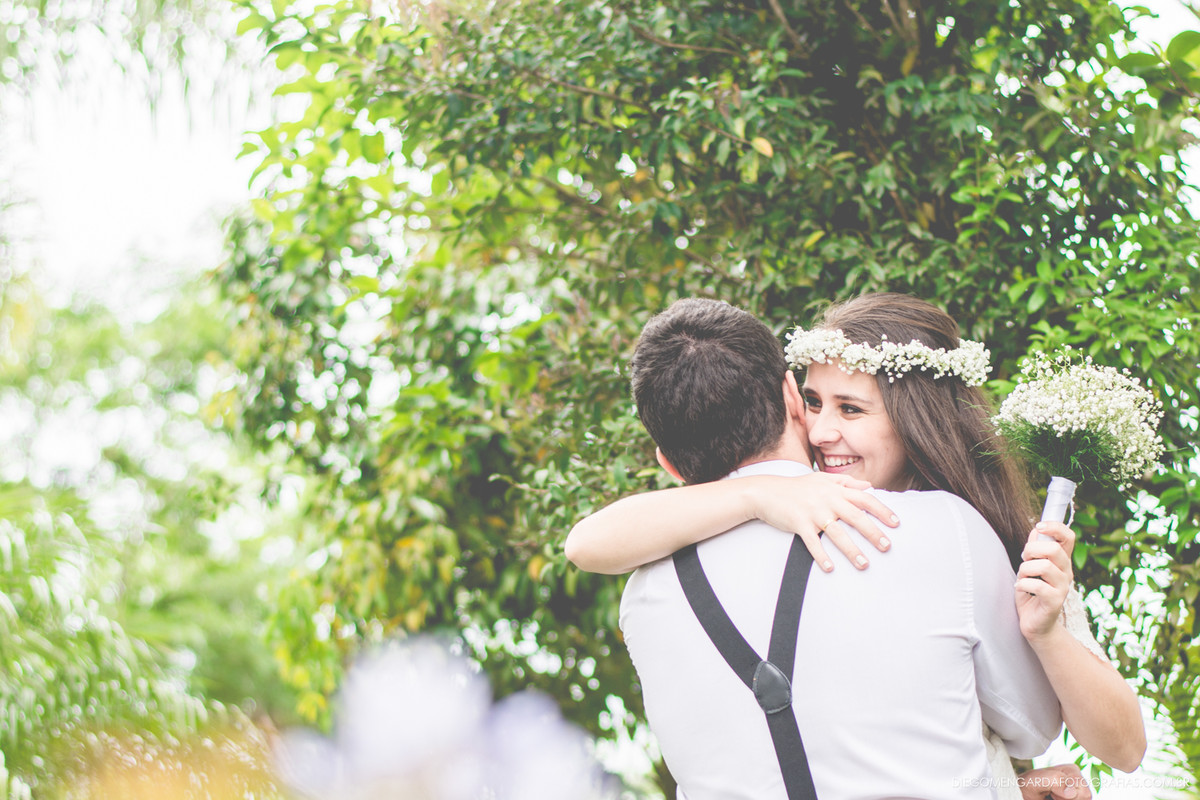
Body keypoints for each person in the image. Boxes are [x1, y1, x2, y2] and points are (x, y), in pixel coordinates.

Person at [566, 293, 1147, 796]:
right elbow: (1031, 728)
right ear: (791, 397)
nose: (822, 431)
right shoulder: (946, 531)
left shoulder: (646, 590)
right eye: (815, 403)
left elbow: (1118, 746)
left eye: (850, 408)